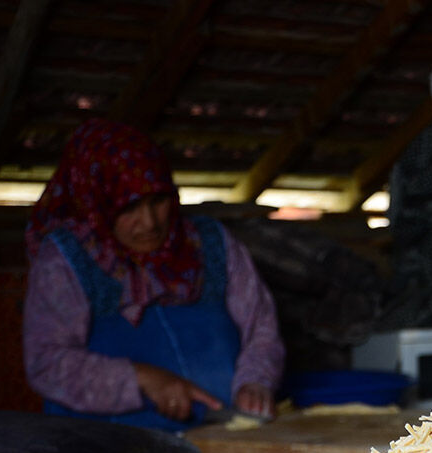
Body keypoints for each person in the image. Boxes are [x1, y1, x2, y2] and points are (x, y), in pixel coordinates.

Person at [23, 118, 285, 432]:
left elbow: (260, 329)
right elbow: (47, 363)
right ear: (96, 203)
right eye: (129, 208)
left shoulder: (210, 242)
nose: (149, 223)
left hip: (223, 436)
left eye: (158, 201)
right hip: (106, 446)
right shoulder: (64, 261)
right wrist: (140, 379)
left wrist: (255, 382)